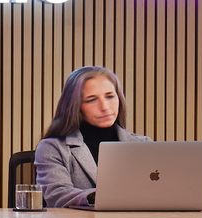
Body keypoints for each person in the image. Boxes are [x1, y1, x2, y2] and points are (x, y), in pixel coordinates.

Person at [34, 65, 152, 209]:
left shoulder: (144, 145)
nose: (105, 107)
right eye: (91, 100)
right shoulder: (53, 147)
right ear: (75, 106)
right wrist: (100, 196)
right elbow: (58, 196)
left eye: (110, 96)